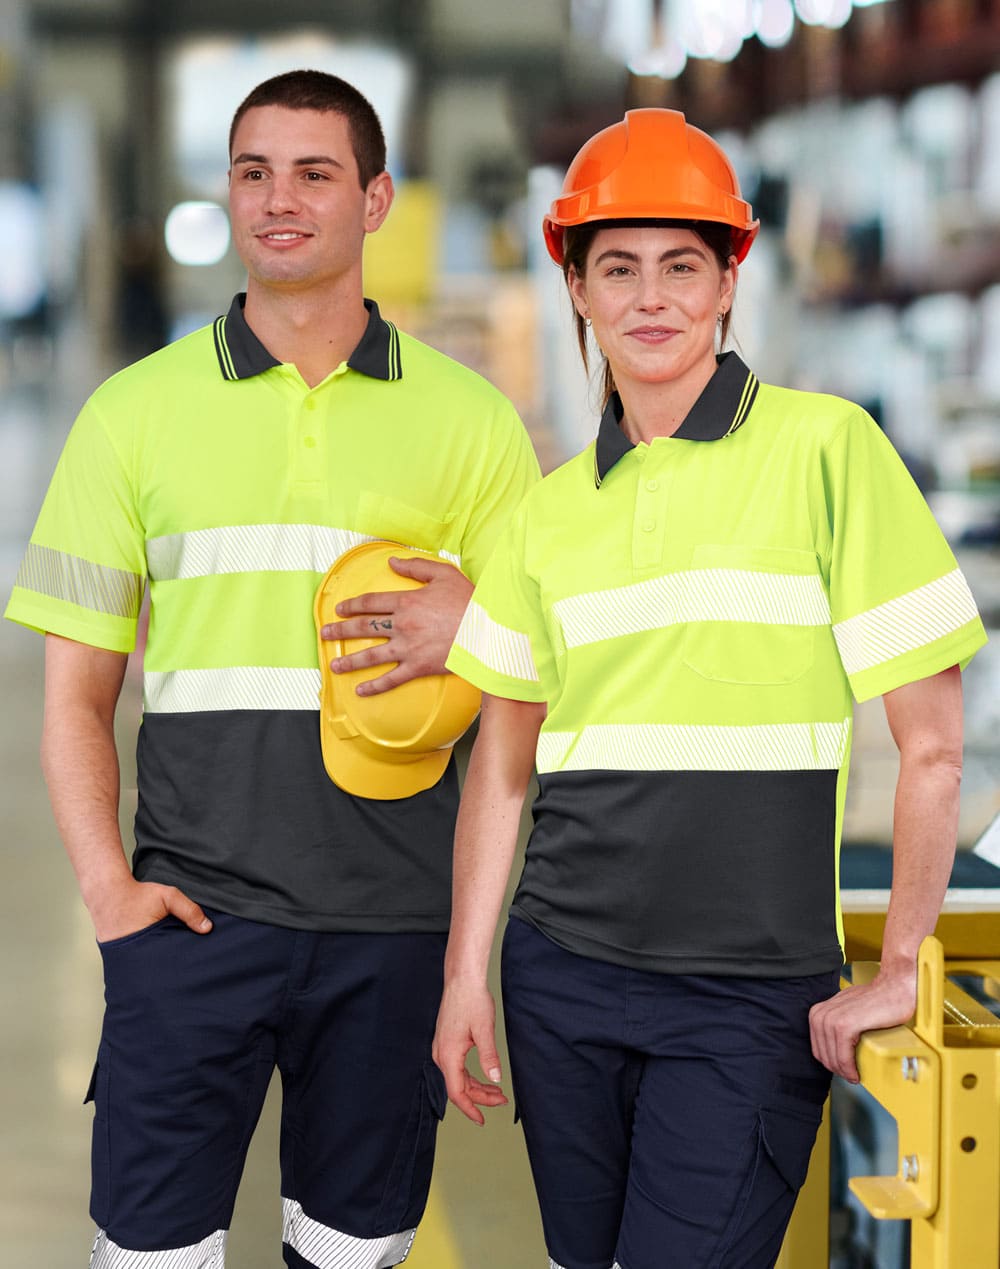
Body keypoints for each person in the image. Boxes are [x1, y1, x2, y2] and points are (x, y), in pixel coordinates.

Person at [432, 108, 987, 1269]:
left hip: (744, 1000)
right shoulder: (546, 512)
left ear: (730, 279)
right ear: (574, 288)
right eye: (617, 268)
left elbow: (934, 747)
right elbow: (501, 767)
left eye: (682, 266)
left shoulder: (828, 452)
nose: (650, 298)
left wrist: (899, 968)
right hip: (561, 980)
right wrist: (464, 976)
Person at [5, 70, 538, 1269]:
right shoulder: (129, 417)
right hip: (192, 923)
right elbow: (75, 696)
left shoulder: (472, 424)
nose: (278, 200)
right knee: (147, 1255)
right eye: (253, 172)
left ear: (377, 198)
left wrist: (466, 960)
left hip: (392, 930)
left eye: (313, 173)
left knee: (352, 1253)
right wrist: (108, 897)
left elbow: (525, 702)